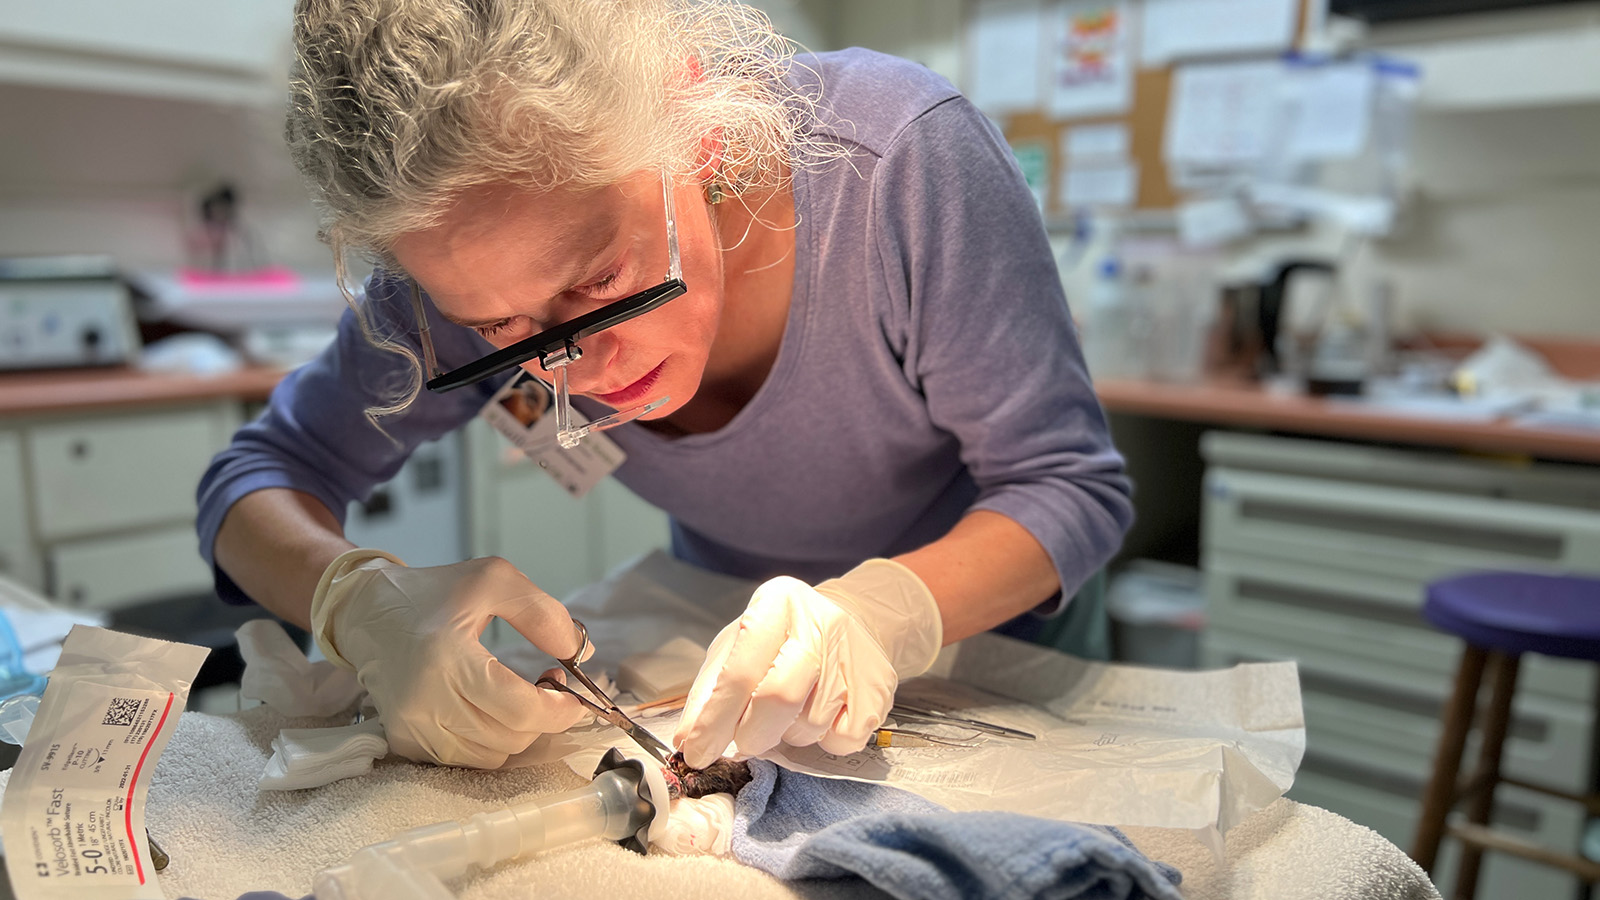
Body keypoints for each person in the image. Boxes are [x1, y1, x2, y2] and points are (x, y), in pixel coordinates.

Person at [198, 0, 1132, 771]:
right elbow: (259, 476)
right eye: (502, 331)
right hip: (719, 640)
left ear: (697, 132)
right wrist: (355, 601)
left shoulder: (899, 165)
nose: (586, 370)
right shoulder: (449, 271)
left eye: (602, 279)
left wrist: (884, 615)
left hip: (995, 646)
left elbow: (1067, 485)